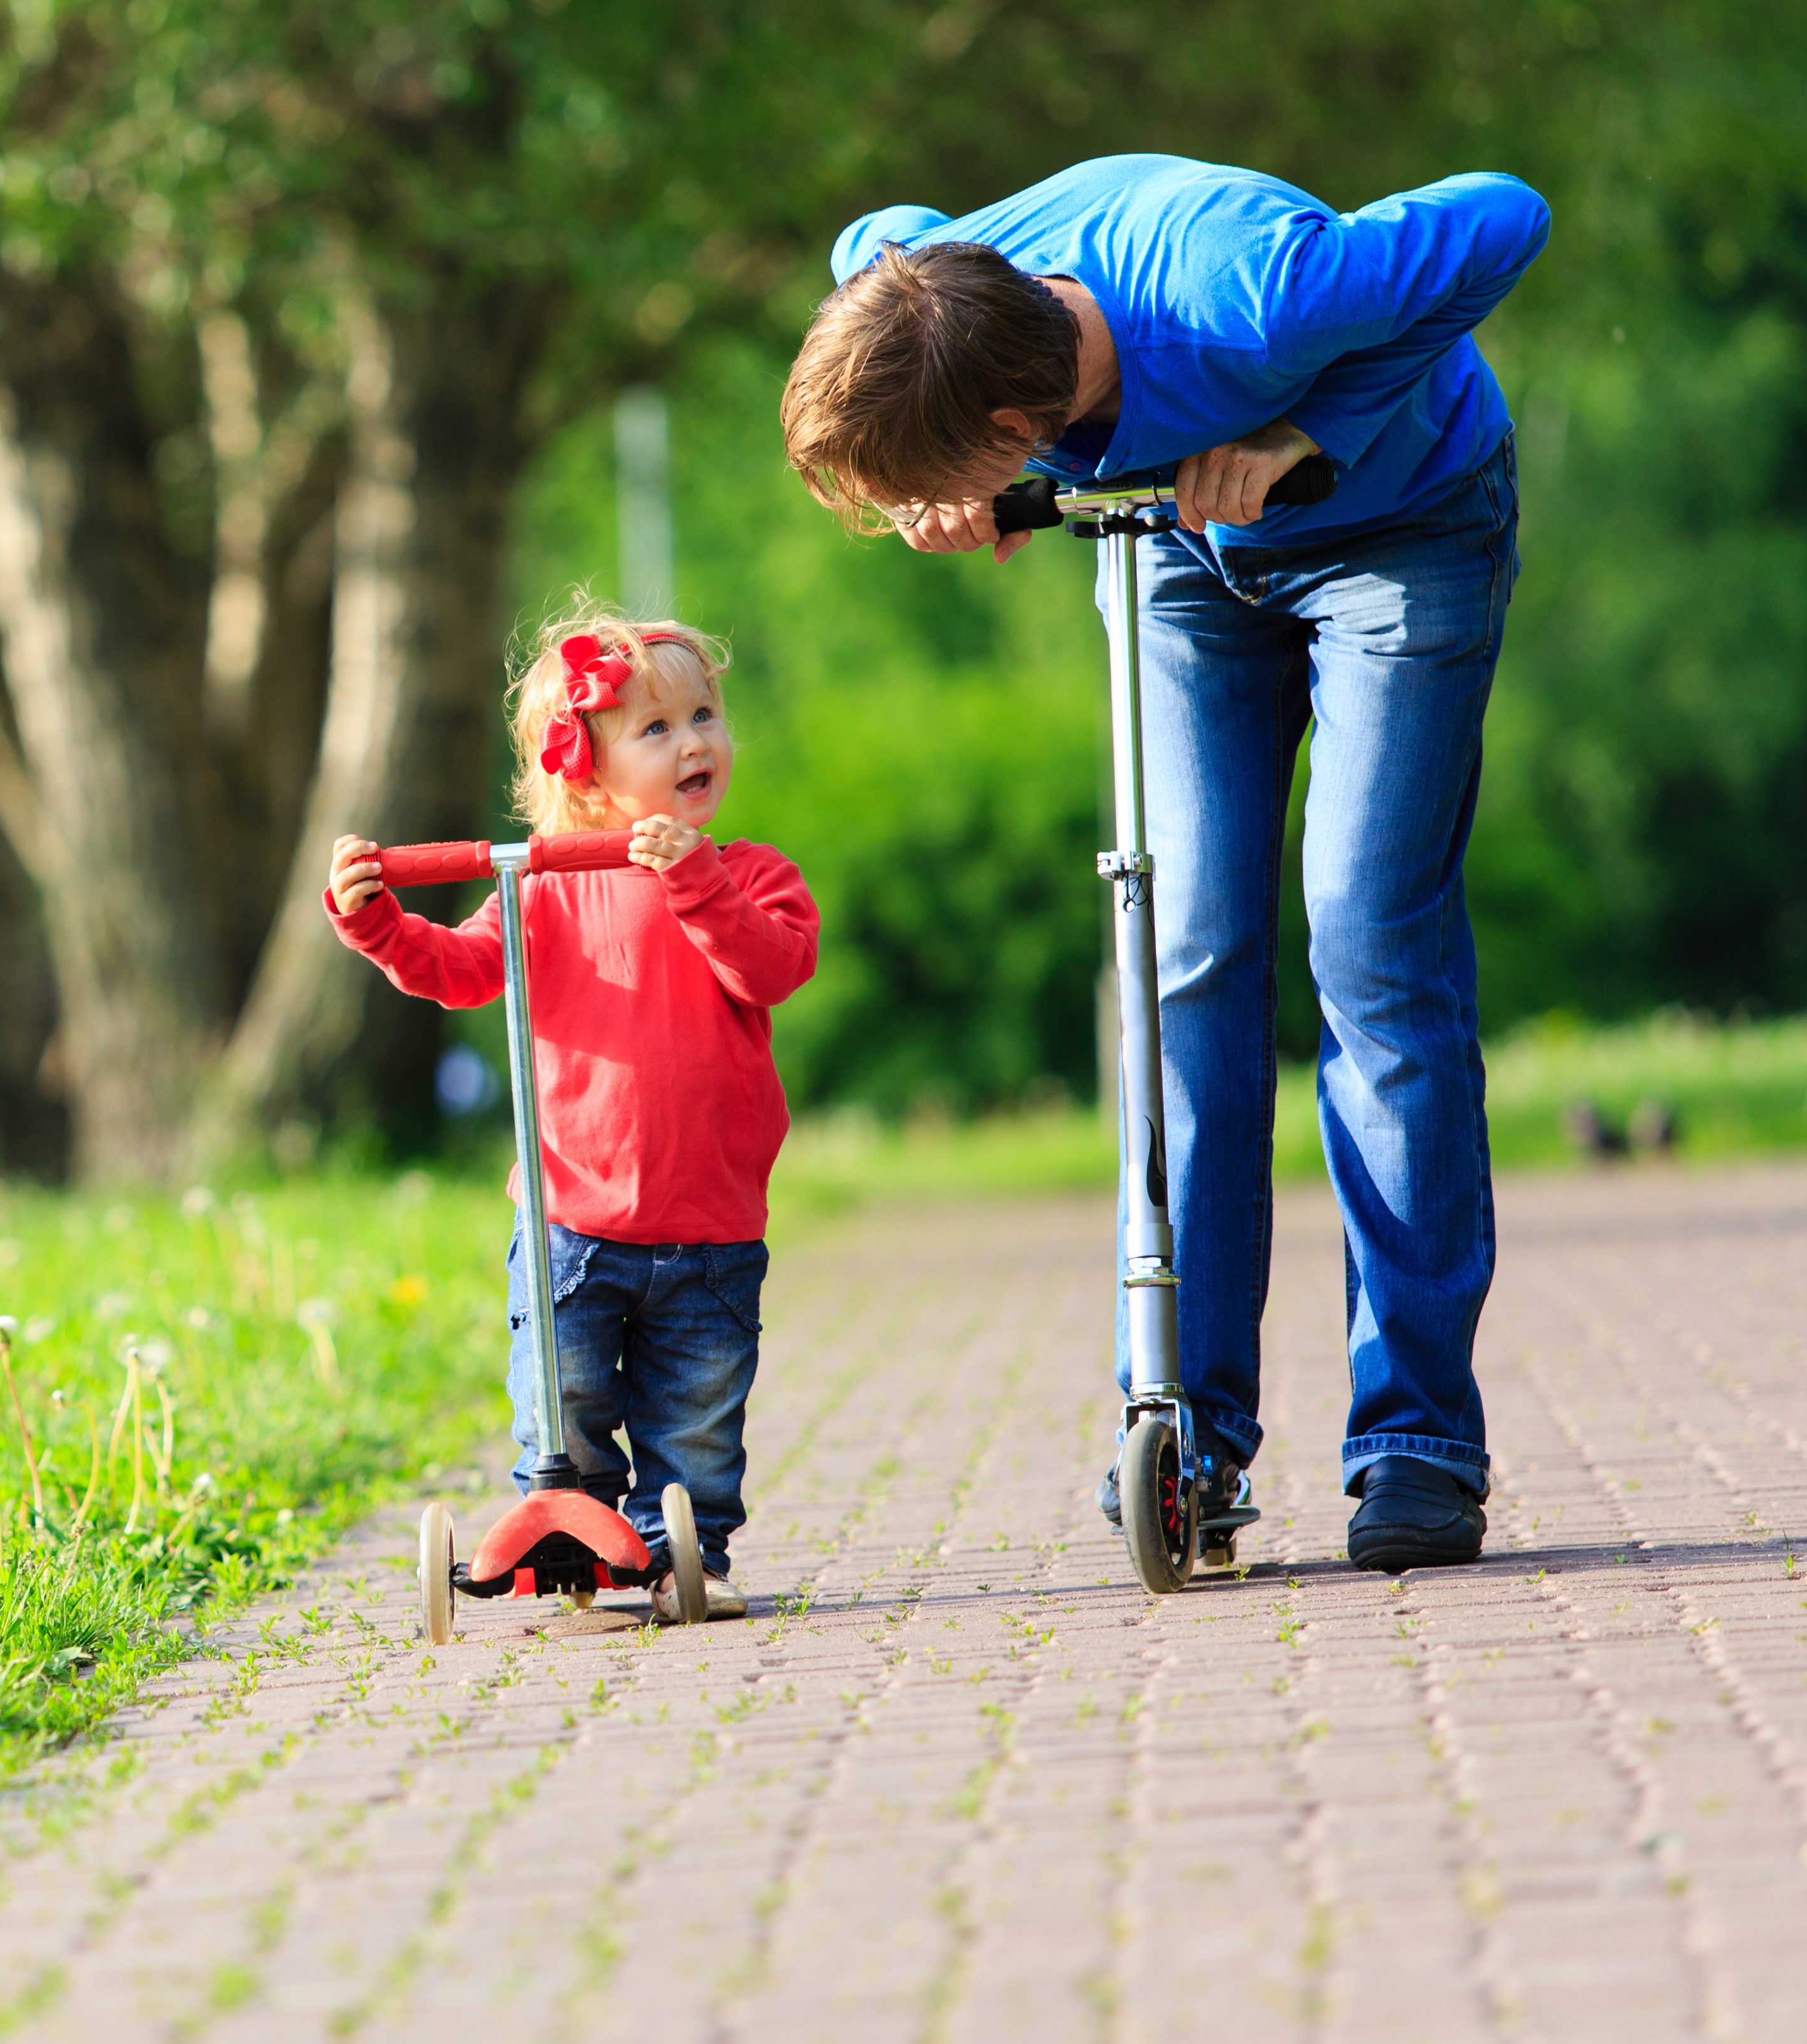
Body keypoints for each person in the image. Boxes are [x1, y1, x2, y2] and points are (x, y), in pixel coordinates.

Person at [780, 155, 1552, 1572]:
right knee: (1183, 950)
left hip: (1401, 530)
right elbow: (861, 237)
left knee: (1367, 942)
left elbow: (1505, 216)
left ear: (1017, 423)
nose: (923, 511)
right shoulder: (923, 280)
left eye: (945, 478)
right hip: (1187, 557)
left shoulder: (1253, 297)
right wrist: (930, 493)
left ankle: (1417, 1441)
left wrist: (1315, 422)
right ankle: (1186, 1425)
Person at [324, 616, 818, 1619]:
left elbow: (769, 966)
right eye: (657, 729)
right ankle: (574, 1538)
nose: (695, 744)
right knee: (567, 1404)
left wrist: (692, 876)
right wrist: (379, 924)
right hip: (572, 1217)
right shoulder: (542, 893)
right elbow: (462, 975)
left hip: (711, 1221)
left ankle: (690, 1554)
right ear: (587, 775)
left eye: (706, 718)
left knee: (699, 1418)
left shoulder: (750, 875)